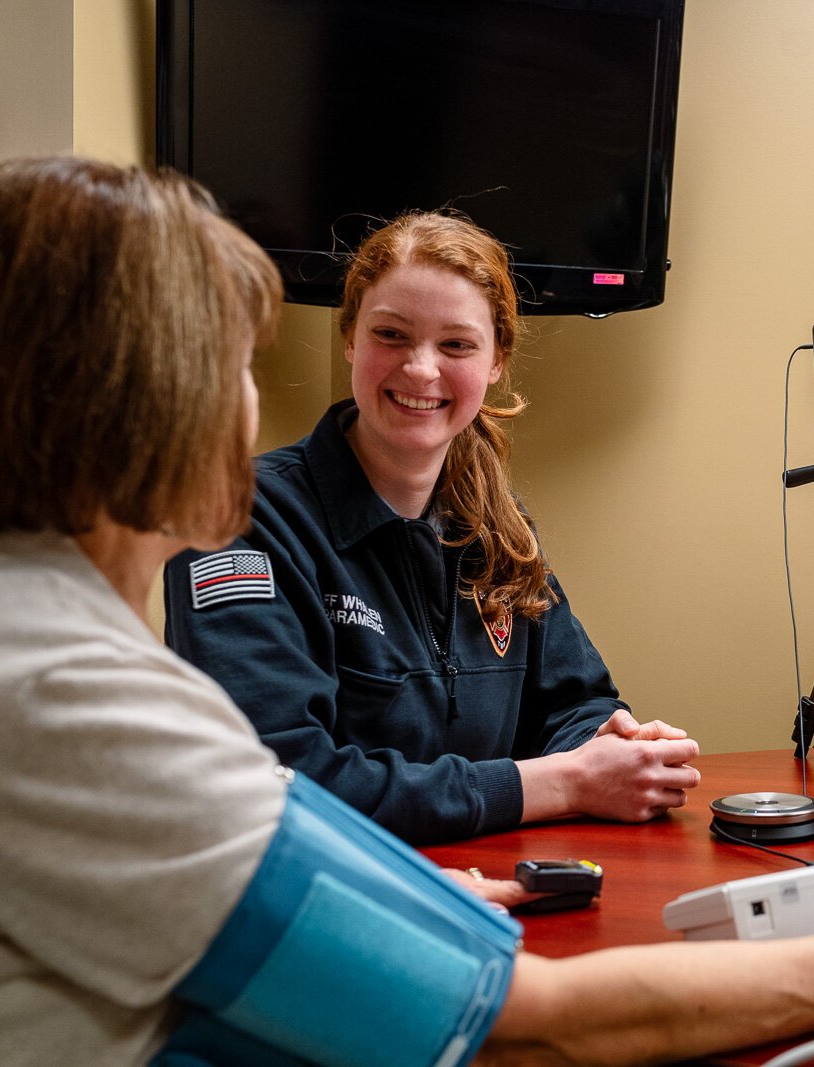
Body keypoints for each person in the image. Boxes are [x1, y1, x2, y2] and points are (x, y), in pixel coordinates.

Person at [0, 156, 814, 1067]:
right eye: (233, 362)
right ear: (132, 403)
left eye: (454, 345)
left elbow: (574, 703)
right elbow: (537, 1022)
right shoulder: (61, 688)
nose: (246, 402)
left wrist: (391, 874)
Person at [164, 210, 699, 845]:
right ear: (349, 341)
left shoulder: (498, 528)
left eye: (456, 344)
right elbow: (283, 778)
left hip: (486, 881)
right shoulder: (237, 520)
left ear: (497, 360)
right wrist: (566, 783)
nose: (421, 370)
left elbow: (573, 702)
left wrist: (615, 743)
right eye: (391, 334)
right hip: (322, 896)